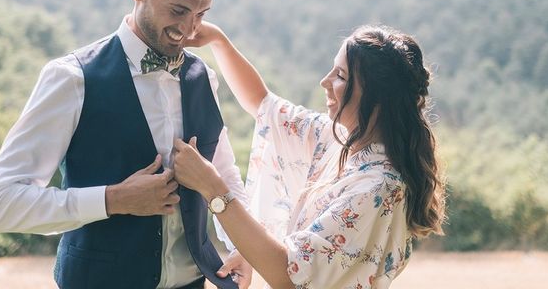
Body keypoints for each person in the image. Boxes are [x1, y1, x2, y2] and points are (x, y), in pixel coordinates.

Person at [0, 0, 251, 289]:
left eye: (201, 13)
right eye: (178, 10)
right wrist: (111, 200)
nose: (189, 30)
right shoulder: (71, 78)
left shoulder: (204, 78)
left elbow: (224, 173)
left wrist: (242, 246)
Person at [173, 22, 446, 289]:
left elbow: (289, 275)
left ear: (377, 98)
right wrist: (218, 41)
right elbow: (264, 105)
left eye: (341, 76)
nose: (324, 81)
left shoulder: (378, 188)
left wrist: (212, 188)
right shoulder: (337, 140)